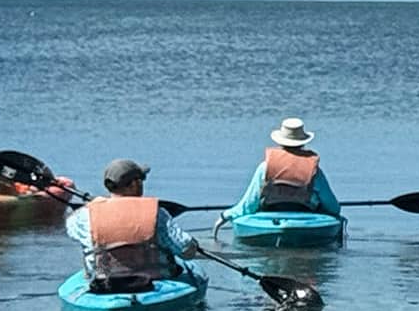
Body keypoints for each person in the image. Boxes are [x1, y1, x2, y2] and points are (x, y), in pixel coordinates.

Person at [68, 159, 202, 291]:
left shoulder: (84, 216)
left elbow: (71, 230)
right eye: (141, 179)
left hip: (104, 283)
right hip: (155, 282)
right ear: (133, 184)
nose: (142, 184)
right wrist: (193, 245)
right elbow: (185, 250)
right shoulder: (157, 214)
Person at [234, 117, 339, 218]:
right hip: (306, 214)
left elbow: (249, 204)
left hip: (270, 213)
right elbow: (333, 207)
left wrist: (226, 215)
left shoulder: (264, 168)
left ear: (280, 142)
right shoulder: (315, 172)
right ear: (303, 143)